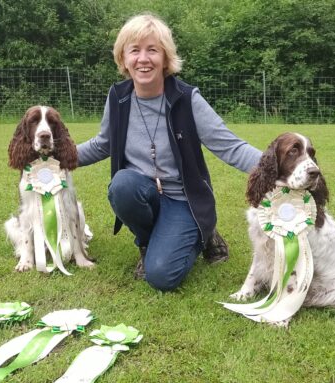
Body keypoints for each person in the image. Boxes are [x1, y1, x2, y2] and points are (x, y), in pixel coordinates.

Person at [77, 13, 262, 291]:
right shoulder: (118, 97)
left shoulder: (187, 99)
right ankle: (149, 243)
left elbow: (230, 146)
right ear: (123, 58)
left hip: (183, 200)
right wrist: (54, 156)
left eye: (152, 50)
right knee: (122, 185)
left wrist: (279, 168)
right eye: (134, 50)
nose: (143, 59)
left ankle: (203, 233)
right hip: (143, 194)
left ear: (165, 58)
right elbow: (103, 143)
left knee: (161, 277)